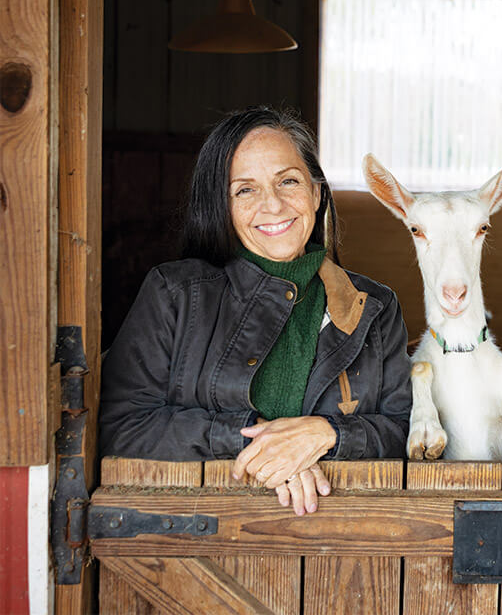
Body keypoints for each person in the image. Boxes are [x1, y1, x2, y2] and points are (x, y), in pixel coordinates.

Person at [100, 106, 412, 515]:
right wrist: (255, 440)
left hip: (345, 538)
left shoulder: (374, 307)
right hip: (200, 535)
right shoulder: (175, 294)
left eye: (288, 181)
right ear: (222, 206)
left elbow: (408, 431)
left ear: (316, 194)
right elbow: (120, 428)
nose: (274, 205)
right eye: (245, 190)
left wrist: (327, 434)